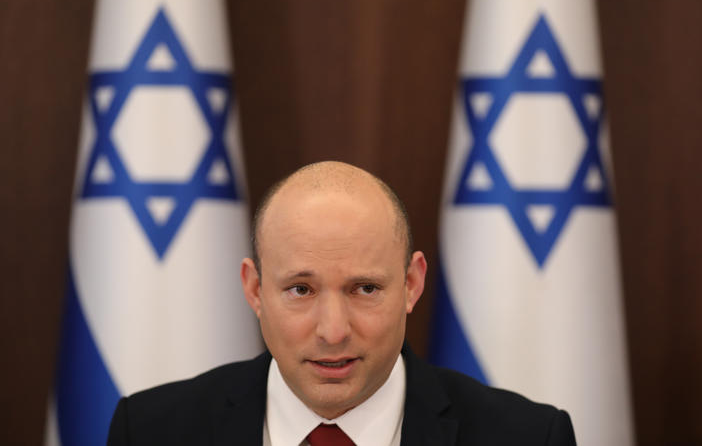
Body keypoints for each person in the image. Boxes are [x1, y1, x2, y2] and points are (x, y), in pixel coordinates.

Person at [107, 161, 576, 446]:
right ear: (254, 289)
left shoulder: (528, 442)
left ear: (412, 284)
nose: (333, 331)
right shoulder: (151, 435)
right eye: (301, 290)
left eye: (365, 289)